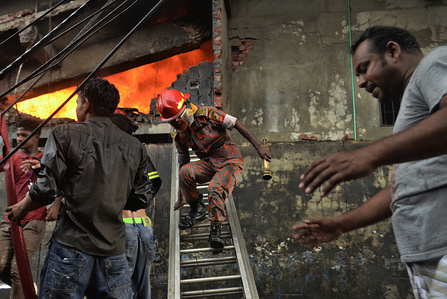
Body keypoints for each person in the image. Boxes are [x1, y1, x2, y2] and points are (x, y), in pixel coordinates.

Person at [293, 26, 447, 298]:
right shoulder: (418, 114)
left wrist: (370, 154)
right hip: (427, 256)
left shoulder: (433, 63)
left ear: (392, 51)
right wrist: (342, 224)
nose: (361, 81)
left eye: (364, 68)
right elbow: (403, 189)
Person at [5, 77, 154, 298]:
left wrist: (22, 207)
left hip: (70, 249)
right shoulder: (135, 146)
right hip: (114, 254)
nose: (76, 108)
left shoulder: (64, 134)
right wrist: (113, 197)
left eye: (77, 102)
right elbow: (143, 194)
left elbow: (46, 188)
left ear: (86, 104)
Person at [157, 88, 271, 249]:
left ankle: (215, 230)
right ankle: (198, 210)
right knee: (185, 172)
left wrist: (258, 146)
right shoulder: (179, 134)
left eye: (177, 119)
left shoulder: (209, 114)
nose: (174, 124)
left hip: (229, 161)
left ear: (186, 110)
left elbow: (236, 123)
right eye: (171, 121)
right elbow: (183, 161)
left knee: (215, 188)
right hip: (209, 164)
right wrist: (181, 194)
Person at [0, 117, 60, 299]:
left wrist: (56, 204)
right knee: (2, 266)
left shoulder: (46, 159)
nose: (19, 139)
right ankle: (27, 290)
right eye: (18, 135)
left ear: (36, 137)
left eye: (24, 135)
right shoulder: (12, 158)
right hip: (10, 219)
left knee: (18, 271)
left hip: (34, 220)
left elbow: (61, 180)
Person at [112, 109, 162, 299]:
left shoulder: (110, 153)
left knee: (121, 288)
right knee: (143, 288)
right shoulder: (140, 152)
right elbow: (156, 181)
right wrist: (141, 202)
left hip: (124, 228)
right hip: (145, 228)